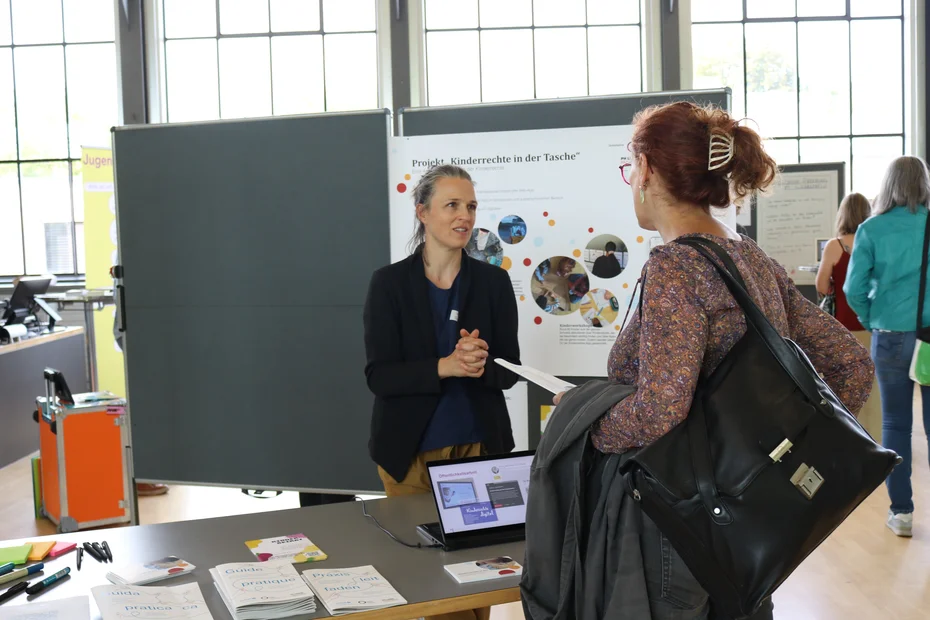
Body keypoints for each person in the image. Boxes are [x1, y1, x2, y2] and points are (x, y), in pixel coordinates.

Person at [564, 101, 873, 618]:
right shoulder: (749, 257)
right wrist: (774, 461)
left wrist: (583, 419)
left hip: (679, 528)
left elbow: (660, 412)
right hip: (745, 525)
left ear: (645, 169)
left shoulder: (675, 268)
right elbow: (852, 365)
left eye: (628, 167)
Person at [363, 165, 520, 620]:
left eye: (470, 206)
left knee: (479, 581)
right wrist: (445, 366)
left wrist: (479, 361)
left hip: (480, 452)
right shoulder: (388, 284)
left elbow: (508, 371)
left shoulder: (492, 283)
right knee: (429, 585)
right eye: (451, 205)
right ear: (422, 212)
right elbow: (380, 377)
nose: (464, 216)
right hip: (410, 457)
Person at [845, 155, 930, 538]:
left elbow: (852, 289)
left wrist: (871, 319)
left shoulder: (871, 228)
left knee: (895, 423)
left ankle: (902, 513)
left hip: (890, 337)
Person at [815, 193, 882, 443]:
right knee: (873, 386)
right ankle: (875, 439)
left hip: (844, 326)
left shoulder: (836, 245)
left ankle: (848, 440)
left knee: (845, 383)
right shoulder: (875, 240)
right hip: (874, 323)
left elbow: (822, 285)